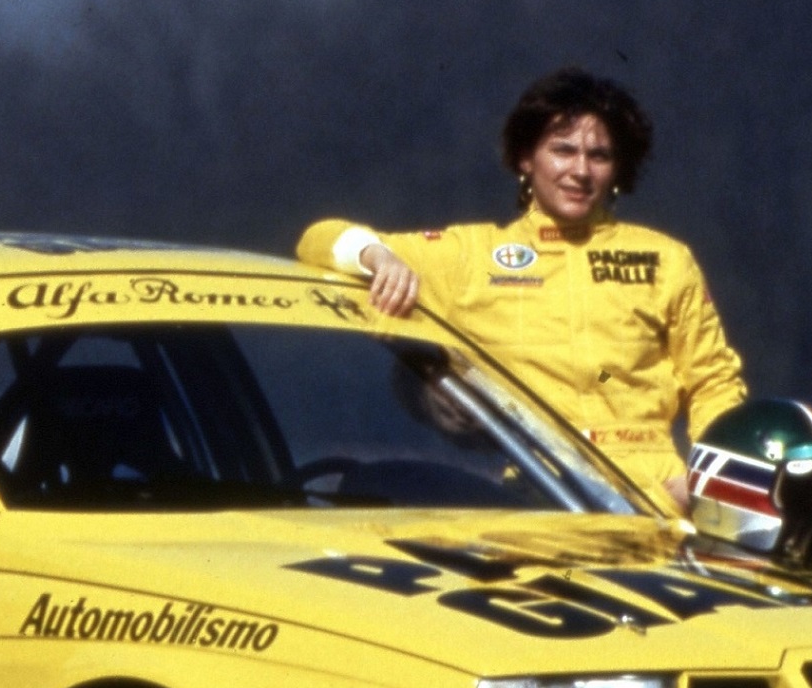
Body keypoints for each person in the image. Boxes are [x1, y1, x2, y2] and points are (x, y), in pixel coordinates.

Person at [296, 67, 745, 506]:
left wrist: (708, 485)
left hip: (662, 502)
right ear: (526, 159)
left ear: (618, 169)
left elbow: (714, 383)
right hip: (542, 497)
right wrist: (378, 257)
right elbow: (318, 238)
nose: (581, 170)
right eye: (563, 150)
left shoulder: (666, 259)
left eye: (600, 156)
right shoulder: (471, 257)